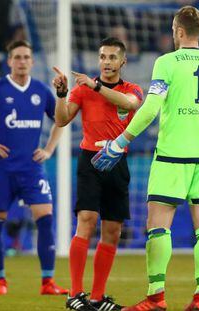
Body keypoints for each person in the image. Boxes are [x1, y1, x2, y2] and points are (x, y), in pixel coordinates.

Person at [91, 6, 199, 311]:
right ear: (198, 32)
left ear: (178, 32)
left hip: (172, 156)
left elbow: (151, 109)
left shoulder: (166, 62)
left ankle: (156, 298)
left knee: (158, 226)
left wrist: (120, 142)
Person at [0, 40, 67, 296]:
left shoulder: (40, 91)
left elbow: (61, 119)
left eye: (26, 57)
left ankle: (48, 282)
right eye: (17, 57)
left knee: (46, 219)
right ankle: (0, 282)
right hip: (2, 170)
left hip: (31, 169)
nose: (21, 61)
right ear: (9, 61)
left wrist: (49, 149)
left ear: (31, 61)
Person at [52, 37, 143, 311]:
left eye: (112, 57)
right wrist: (60, 95)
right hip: (90, 160)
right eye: (103, 56)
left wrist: (96, 86)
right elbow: (61, 119)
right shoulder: (83, 91)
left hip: (117, 162)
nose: (106, 62)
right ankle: (75, 295)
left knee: (113, 231)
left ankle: (97, 298)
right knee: (87, 221)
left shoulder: (132, 89)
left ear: (122, 62)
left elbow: (129, 105)